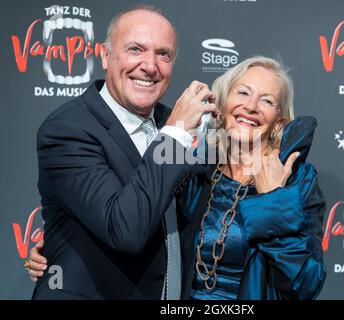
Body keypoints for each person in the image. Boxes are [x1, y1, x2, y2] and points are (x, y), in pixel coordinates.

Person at [29, 56, 327, 300]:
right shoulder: (196, 167)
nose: (250, 106)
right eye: (243, 93)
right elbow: (136, 218)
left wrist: (273, 202)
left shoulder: (295, 180)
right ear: (222, 104)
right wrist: (62, 247)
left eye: (267, 101)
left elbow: (306, 283)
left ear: (279, 120)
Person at [27, 4, 216, 300]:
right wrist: (175, 133)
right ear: (105, 55)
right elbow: (125, 229)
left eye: (163, 54)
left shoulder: (178, 125)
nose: (150, 66)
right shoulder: (67, 129)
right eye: (135, 49)